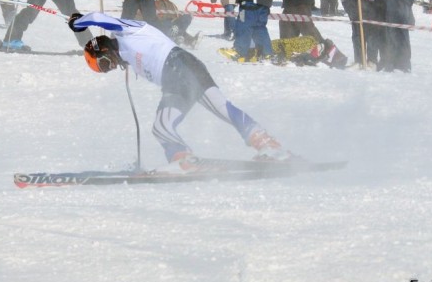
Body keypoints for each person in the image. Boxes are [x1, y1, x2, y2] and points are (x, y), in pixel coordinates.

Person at [68, 11, 292, 171]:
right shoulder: (126, 57)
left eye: (105, 63)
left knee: (161, 127)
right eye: (104, 70)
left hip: (176, 67)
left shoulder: (128, 32)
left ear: (104, 47)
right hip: (186, 68)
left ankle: (183, 159)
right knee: (223, 109)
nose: (110, 68)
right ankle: (270, 146)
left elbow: (100, 18)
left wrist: (80, 21)